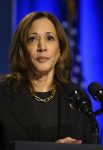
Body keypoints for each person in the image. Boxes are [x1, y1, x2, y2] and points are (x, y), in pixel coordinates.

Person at [0, 12, 95, 149]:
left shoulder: (78, 99)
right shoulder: (3, 95)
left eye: (49, 38)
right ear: (22, 49)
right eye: (33, 39)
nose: (42, 47)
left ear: (60, 50)